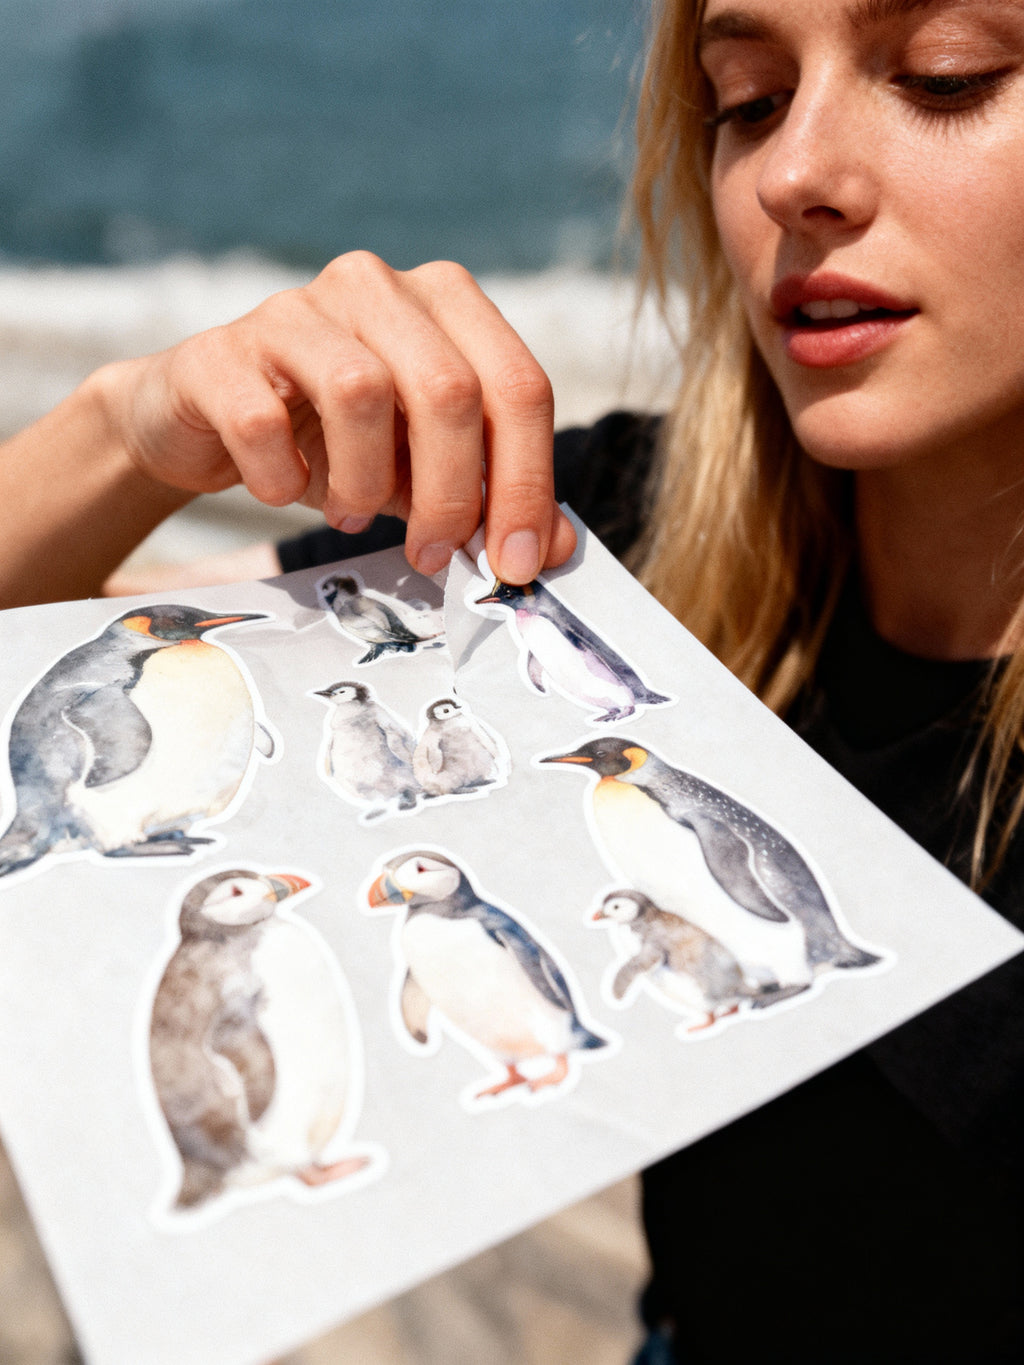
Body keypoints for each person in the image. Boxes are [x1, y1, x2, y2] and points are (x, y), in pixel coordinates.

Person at [2, 0, 1022, 1359]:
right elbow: (48, 641)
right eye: (747, 99)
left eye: (949, 77)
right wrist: (128, 432)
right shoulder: (608, 546)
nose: (790, 174)